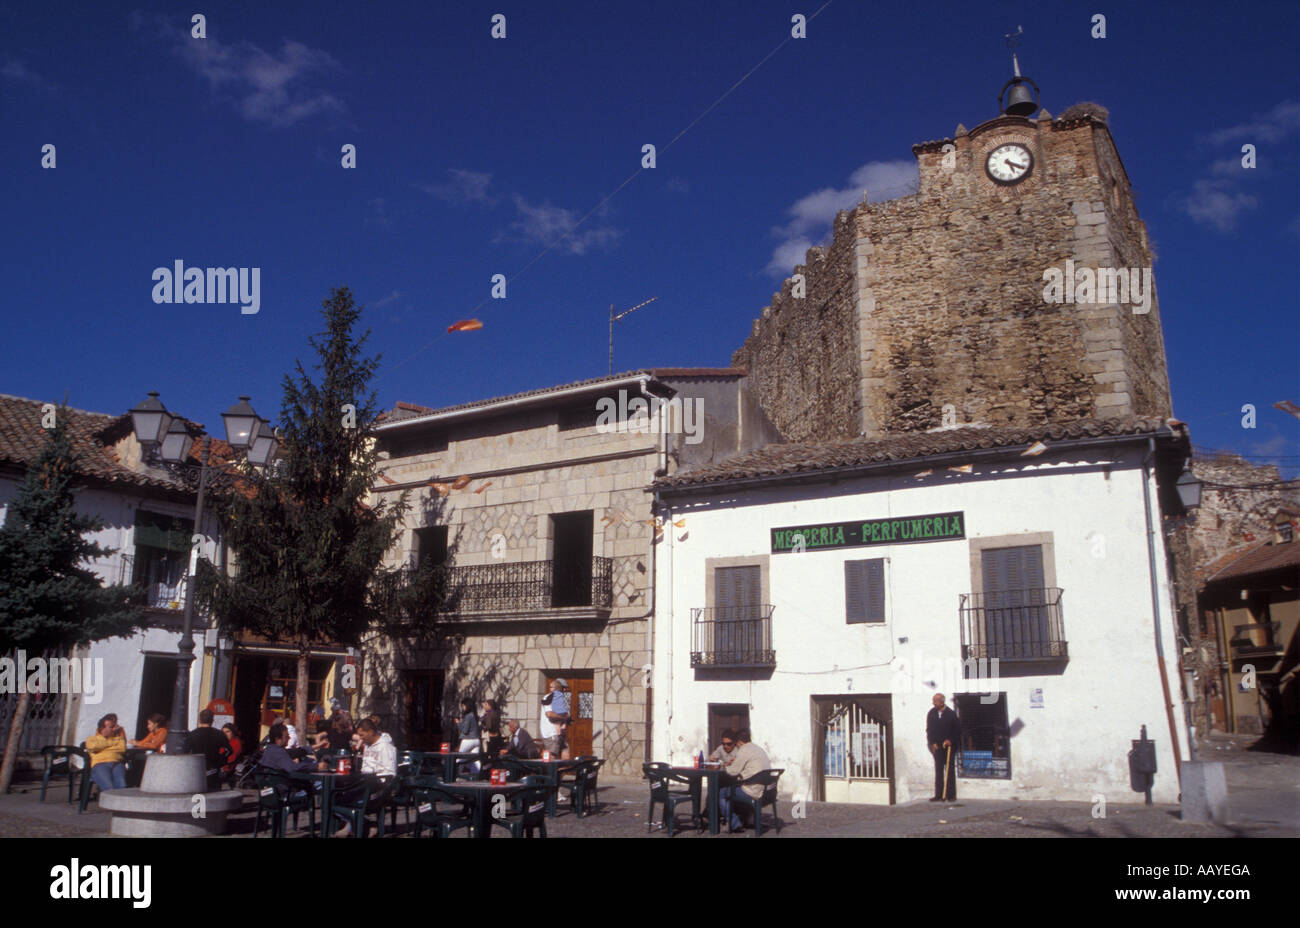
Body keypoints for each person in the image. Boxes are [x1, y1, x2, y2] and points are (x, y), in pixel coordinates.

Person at [332, 718, 397, 837]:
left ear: (371, 732)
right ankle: (363, 822)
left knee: (343, 800)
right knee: (333, 796)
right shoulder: (367, 745)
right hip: (363, 782)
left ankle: (355, 824)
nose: (360, 739)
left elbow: (391, 773)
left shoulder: (386, 747)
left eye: (362, 735)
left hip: (377, 787)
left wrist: (373, 780)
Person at [717, 729, 771, 833]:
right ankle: (747, 819)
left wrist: (725, 766)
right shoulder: (759, 749)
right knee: (735, 788)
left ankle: (734, 824)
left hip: (753, 791)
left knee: (721, 793)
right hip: (766, 791)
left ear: (739, 742)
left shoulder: (744, 750)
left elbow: (733, 772)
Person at [927, 693, 961, 802]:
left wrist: (950, 740)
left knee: (949, 769)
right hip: (937, 746)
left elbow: (957, 730)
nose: (933, 703)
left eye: (935, 701)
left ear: (942, 702)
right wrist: (932, 742)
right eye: (933, 700)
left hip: (949, 746)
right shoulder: (931, 713)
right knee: (939, 769)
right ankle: (939, 794)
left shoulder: (951, 714)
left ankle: (950, 795)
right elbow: (929, 729)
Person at [188, 709, 232, 791]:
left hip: (197, 768)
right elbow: (229, 750)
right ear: (212, 720)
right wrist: (221, 760)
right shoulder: (219, 734)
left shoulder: (192, 734)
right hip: (213, 769)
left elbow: (187, 752)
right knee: (213, 794)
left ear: (199, 720)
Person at [85, 714, 128, 791]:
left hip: (117, 764)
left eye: (114, 727)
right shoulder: (92, 739)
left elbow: (122, 748)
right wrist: (110, 743)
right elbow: (93, 747)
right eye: (111, 727)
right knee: (108, 787)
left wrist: (103, 747)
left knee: (121, 787)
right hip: (100, 764)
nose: (113, 729)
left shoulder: (118, 739)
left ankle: (119, 802)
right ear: (102, 728)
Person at [540, 678, 571, 757]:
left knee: (566, 754)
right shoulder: (549, 697)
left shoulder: (561, 699)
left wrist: (566, 718)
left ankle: (565, 769)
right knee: (552, 758)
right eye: (563, 687)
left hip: (560, 734)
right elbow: (549, 714)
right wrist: (563, 717)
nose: (564, 690)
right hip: (551, 733)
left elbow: (567, 714)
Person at [453, 699, 481, 775]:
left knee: (460, 758)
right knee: (475, 760)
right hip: (477, 740)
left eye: (463, 706)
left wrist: (458, 723)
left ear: (467, 706)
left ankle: (455, 775)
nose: (462, 708)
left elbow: (465, 730)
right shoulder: (475, 715)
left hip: (468, 740)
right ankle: (475, 776)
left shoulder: (468, 716)